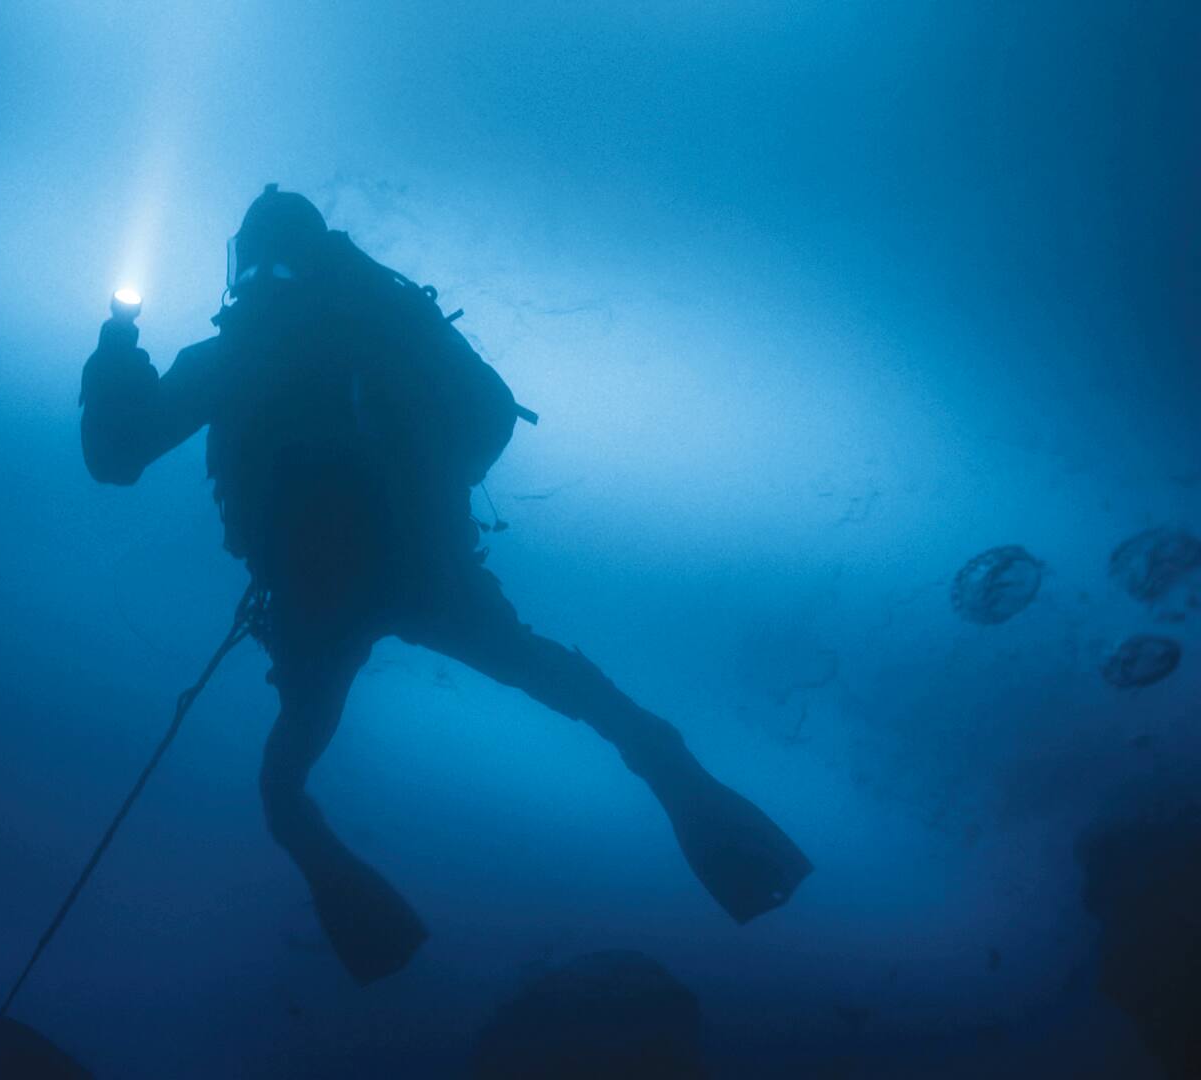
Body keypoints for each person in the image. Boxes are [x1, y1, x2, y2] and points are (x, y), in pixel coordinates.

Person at [79, 185, 812, 985]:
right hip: (422, 569)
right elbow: (490, 414)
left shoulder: (238, 355)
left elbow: (116, 457)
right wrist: (423, 497)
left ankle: (388, 953)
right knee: (574, 691)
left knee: (283, 786)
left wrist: (120, 335)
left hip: (318, 598)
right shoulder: (384, 329)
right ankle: (715, 825)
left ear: (240, 265)